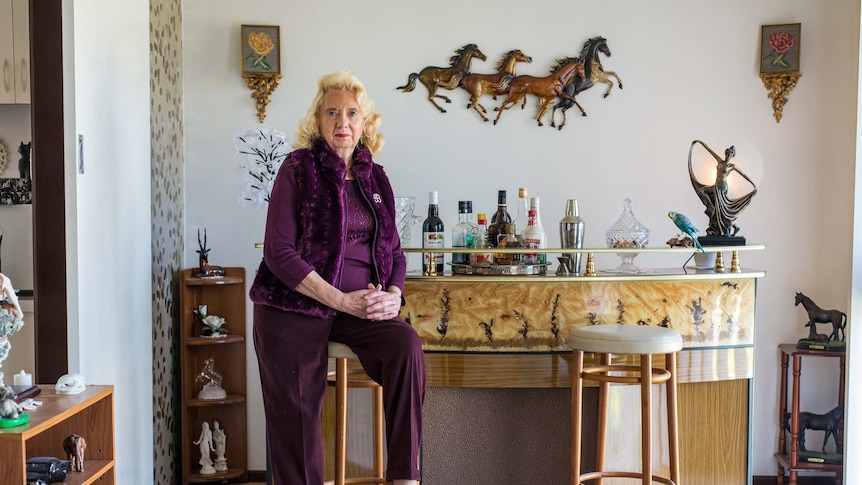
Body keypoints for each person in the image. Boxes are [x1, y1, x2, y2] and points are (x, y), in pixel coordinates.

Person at [249, 70, 425, 485]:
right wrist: (341, 300)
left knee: (406, 347)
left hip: (357, 306)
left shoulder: (375, 177)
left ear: (365, 123)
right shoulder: (297, 169)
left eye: (351, 113)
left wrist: (394, 295)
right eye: (332, 112)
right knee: (299, 415)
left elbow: (395, 253)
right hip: (293, 305)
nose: (342, 122)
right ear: (318, 120)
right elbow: (279, 252)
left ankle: (405, 477)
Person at [688, 140, 758, 237]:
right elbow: (709, 150)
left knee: (721, 210)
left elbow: (744, 174)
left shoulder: (732, 166)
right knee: (702, 190)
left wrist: (753, 185)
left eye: (731, 155)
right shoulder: (720, 160)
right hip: (716, 186)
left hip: (722, 188)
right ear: (725, 153)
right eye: (727, 153)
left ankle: (725, 225)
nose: (728, 156)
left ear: (732, 156)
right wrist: (699, 142)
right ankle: (711, 207)